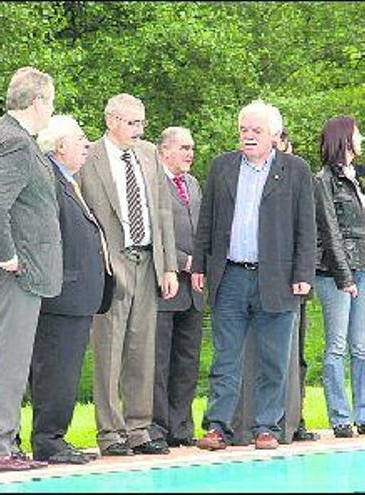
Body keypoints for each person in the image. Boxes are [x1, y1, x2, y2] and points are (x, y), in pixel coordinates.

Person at [192, 100, 316, 451]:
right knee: (225, 356)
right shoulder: (222, 167)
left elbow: (307, 226)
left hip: (276, 279)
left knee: (273, 358)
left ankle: (267, 427)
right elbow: (207, 222)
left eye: (256, 131)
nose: (248, 136)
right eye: (243, 130)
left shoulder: (296, 171)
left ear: (274, 135)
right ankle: (218, 427)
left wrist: (303, 272)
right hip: (229, 276)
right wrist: (200, 264)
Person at [0, 67, 61, 473]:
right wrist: (7, 254)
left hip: (16, 269)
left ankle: (3, 442)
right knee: (9, 360)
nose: (52, 109)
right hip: (16, 271)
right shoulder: (17, 143)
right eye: (51, 102)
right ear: (37, 102)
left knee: (9, 358)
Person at [76, 93, 179, 457]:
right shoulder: (89, 157)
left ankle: (139, 428)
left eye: (142, 122)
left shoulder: (149, 154)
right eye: (132, 123)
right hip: (111, 265)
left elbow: (163, 212)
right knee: (109, 350)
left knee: (142, 349)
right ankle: (110, 432)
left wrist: (168, 266)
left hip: (149, 261)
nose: (139, 130)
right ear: (111, 121)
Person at [28, 115, 112, 465]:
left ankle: (55, 437)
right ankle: (48, 441)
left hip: (77, 296)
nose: (87, 144)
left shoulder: (68, 180)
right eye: (80, 139)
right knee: (56, 371)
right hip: (63, 296)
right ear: (60, 146)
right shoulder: (50, 180)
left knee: (66, 370)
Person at [313, 116, 365, 438]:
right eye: (358, 133)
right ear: (344, 139)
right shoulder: (323, 180)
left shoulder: (355, 178)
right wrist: (344, 276)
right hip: (334, 271)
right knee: (336, 346)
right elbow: (329, 231)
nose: (362, 138)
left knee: (361, 346)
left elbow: (351, 225)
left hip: (363, 265)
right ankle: (340, 417)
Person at [149, 127, 205, 448]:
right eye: (184, 147)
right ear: (165, 150)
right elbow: (156, 233)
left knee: (187, 361)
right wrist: (182, 261)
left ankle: (181, 427)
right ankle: (157, 428)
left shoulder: (194, 184)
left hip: (194, 288)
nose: (189, 153)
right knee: (159, 362)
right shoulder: (153, 184)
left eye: (192, 148)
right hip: (165, 285)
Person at [275, 129, 319, 443]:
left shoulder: (301, 176)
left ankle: (295, 417)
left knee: (297, 354)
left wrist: (304, 274)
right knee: (274, 354)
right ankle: (274, 419)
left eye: (280, 144)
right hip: (267, 279)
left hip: (296, 279)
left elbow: (311, 230)